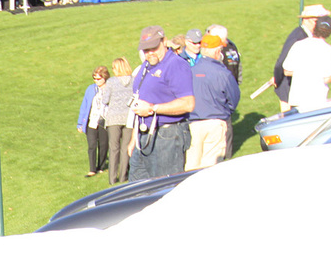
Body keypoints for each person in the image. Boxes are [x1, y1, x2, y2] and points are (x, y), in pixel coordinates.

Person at [128, 26, 194, 181]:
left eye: (154, 48)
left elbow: (188, 104)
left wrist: (152, 109)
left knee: (164, 190)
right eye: (146, 49)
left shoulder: (176, 65)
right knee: (134, 191)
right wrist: (133, 138)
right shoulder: (146, 65)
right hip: (143, 136)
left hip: (167, 136)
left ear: (164, 42)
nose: (150, 53)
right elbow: (139, 102)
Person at [186, 35, 239, 170]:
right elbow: (234, 98)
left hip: (192, 123)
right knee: (211, 167)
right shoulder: (223, 73)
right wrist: (226, 112)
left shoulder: (189, 71)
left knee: (191, 165)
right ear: (217, 51)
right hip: (215, 122)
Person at [272, 5, 328, 112]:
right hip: (288, 85)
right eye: (316, 21)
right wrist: (277, 79)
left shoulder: (310, 36)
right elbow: (282, 61)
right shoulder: (298, 36)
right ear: (306, 20)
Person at [283, 16, 331, 111]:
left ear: (314, 28)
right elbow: (326, 78)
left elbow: (287, 71)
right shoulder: (328, 49)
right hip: (316, 100)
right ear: (330, 31)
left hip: (297, 99)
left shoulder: (298, 45)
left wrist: (302, 72)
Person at [96, 57, 134, 186]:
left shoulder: (111, 82)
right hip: (129, 118)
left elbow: (105, 100)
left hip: (113, 118)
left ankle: (112, 179)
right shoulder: (134, 81)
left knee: (114, 148)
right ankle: (123, 176)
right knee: (125, 148)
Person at [78, 67, 108, 178]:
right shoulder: (91, 89)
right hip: (92, 120)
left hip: (104, 121)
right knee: (92, 145)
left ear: (105, 78)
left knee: (104, 145)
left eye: (99, 79)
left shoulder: (110, 88)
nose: (96, 81)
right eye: (94, 79)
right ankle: (92, 169)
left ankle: (101, 166)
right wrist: (80, 123)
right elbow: (84, 106)